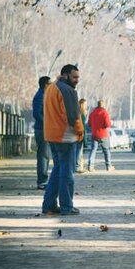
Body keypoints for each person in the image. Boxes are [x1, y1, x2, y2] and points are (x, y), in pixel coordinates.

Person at [42, 64, 83, 216]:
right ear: (65, 75)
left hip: (52, 135)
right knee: (67, 173)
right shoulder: (67, 90)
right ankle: (67, 206)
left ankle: (49, 205)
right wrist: (80, 132)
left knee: (58, 171)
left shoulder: (51, 88)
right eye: (74, 77)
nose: (77, 80)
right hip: (66, 137)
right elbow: (73, 116)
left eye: (78, 77)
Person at [32, 76, 52, 190]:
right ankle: (42, 181)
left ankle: (44, 180)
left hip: (46, 129)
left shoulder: (45, 95)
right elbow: (37, 114)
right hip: (42, 129)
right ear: (45, 85)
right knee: (43, 156)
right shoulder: (39, 97)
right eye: (50, 83)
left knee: (46, 155)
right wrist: (47, 124)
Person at [87, 100, 114, 172]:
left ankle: (90, 166)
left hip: (94, 134)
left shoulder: (92, 113)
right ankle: (108, 166)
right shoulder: (105, 113)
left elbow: (89, 124)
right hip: (103, 135)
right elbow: (107, 125)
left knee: (93, 150)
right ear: (103, 105)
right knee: (106, 150)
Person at [74, 98, 88, 173]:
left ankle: (76, 166)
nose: (86, 106)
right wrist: (84, 139)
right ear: (83, 105)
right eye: (86, 104)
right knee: (79, 152)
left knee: (76, 151)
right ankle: (78, 167)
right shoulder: (82, 114)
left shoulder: (76, 112)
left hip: (75, 134)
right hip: (80, 134)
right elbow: (83, 127)